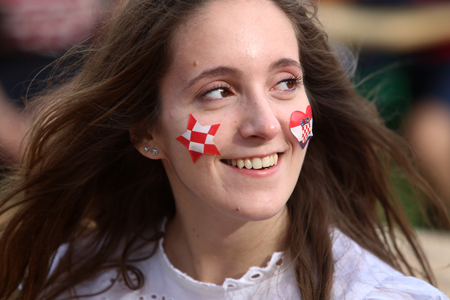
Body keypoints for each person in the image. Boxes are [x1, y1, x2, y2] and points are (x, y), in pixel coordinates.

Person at [0, 0, 448, 299]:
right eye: (218, 92)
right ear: (146, 132)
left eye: (286, 83)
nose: (265, 124)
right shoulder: (72, 283)